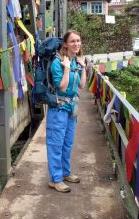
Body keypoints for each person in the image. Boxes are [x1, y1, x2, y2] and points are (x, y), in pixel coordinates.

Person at [46, 30, 86, 193]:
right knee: (56, 144)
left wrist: (83, 68)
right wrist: (67, 69)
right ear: (65, 44)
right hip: (59, 109)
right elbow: (61, 86)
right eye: (73, 41)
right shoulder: (58, 63)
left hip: (72, 109)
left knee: (68, 143)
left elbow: (82, 86)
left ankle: (65, 172)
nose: (76, 44)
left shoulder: (76, 61)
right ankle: (55, 180)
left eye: (78, 41)